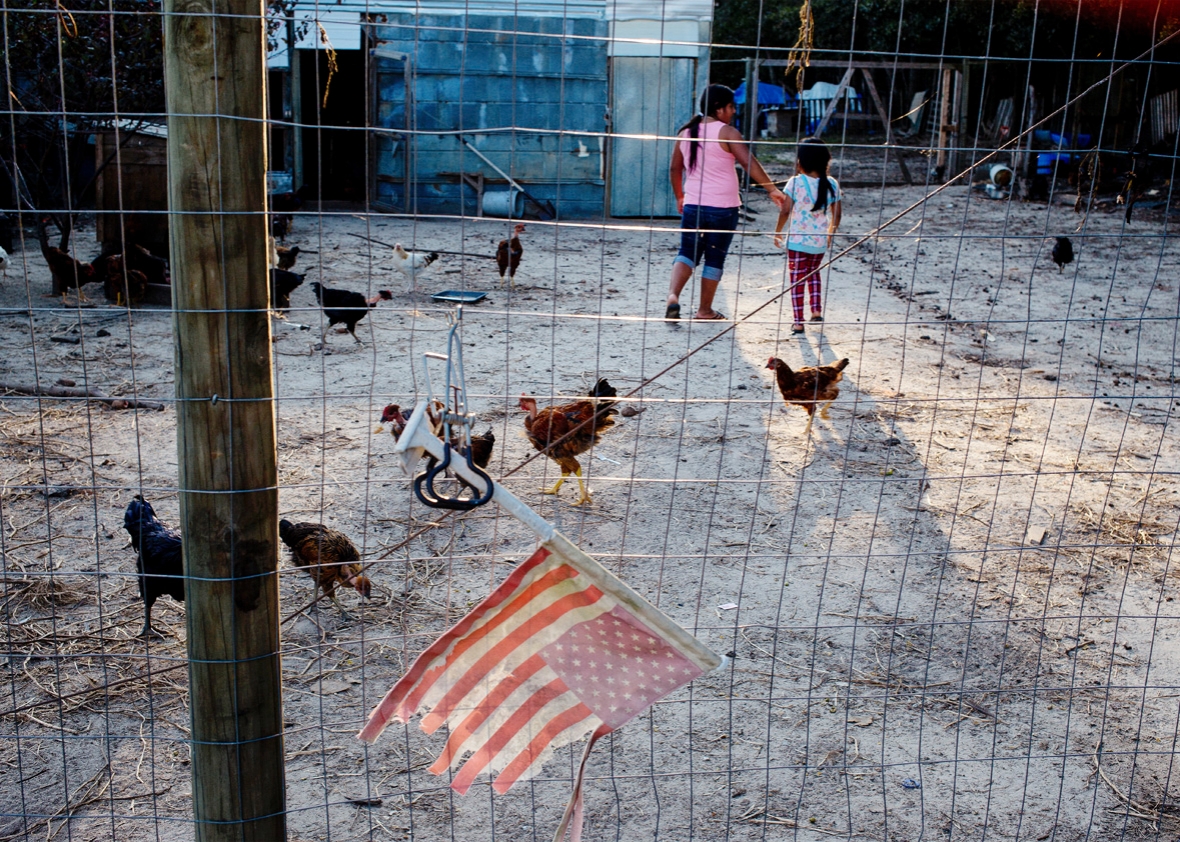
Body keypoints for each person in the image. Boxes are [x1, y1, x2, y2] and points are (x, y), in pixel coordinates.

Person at [665, 84, 786, 322]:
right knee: (714, 258)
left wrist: (680, 195)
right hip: (723, 207)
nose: (733, 111)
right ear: (719, 108)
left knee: (686, 253)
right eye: (731, 106)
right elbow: (749, 163)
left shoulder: (686, 133)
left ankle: (672, 296)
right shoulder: (728, 133)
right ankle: (704, 310)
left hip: (693, 205)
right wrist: (772, 189)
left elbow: (674, 168)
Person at [773, 137, 842, 334]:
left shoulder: (795, 183)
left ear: (800, 161)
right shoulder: (831, 184)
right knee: (814, 273)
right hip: (819, 240)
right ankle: (816, 310)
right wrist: (830, 233)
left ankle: (798, 321)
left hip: (797, 241)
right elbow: (837, 213)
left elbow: (785, 210)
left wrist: (778, 232)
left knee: (797, 279)